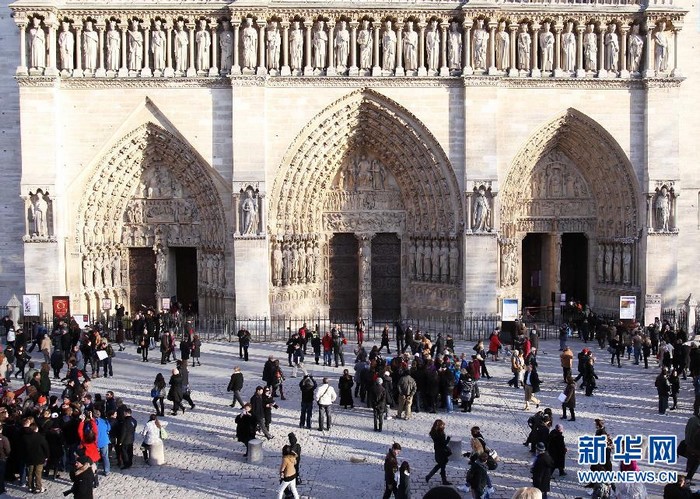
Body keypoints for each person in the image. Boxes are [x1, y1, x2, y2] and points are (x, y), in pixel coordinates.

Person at [425, 419, 451, 485]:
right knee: (442, 466)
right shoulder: (441, 434)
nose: (444, 426)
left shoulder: (434, 433)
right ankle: (443, 480)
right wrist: (448, 439)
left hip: (437, 451)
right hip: (442, 452)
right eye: (442, 425)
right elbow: (443, 443)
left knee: (440, 466)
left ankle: (429, 476)